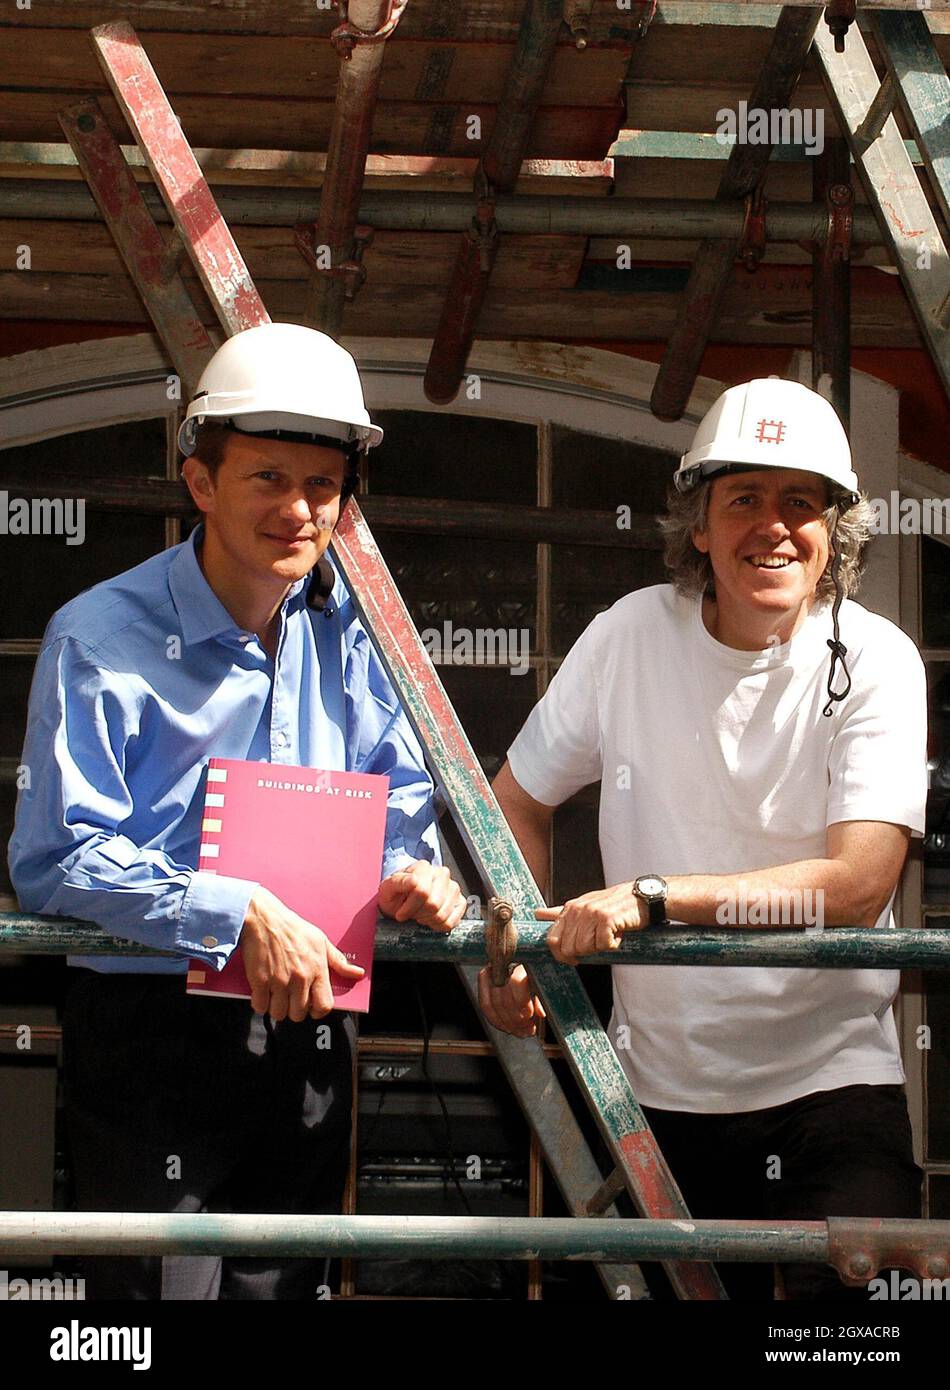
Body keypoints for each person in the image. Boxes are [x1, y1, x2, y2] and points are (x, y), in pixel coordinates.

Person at [9, 322, 466, 1301]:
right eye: (266, 477)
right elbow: (56, 856)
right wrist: (237, 914)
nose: (297, 507)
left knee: (282, 1282)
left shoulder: (355, 641)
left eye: (321, 485)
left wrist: (413, 873)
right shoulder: (98, 635)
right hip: (151, 1027)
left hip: (310, 1014)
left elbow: (400, 803)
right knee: (148, 1302)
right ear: (200, 482)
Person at [478, 377, 927, 1300]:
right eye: (745, 499)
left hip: (832, 1091)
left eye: (800, 501)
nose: (774, 526)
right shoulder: (631, 635)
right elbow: (513, 799)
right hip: (653, 1094)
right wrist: (522, 941)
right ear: (699, 524)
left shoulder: (878, 657)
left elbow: (857, 886)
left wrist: (649, 899)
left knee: (844, 1356)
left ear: (833, 530)